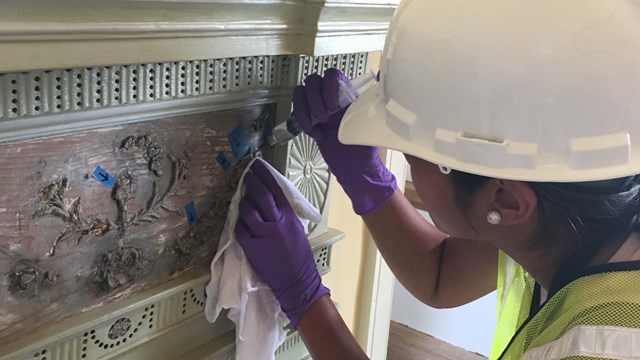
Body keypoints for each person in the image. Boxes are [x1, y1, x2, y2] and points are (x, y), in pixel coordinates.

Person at [235, 0, 640, 359]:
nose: (404, 161)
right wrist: (366, 179)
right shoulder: (577, 210)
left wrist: (304, 299)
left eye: (414, 157)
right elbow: (440, 273)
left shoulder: (601, 348)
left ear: (506, 202)